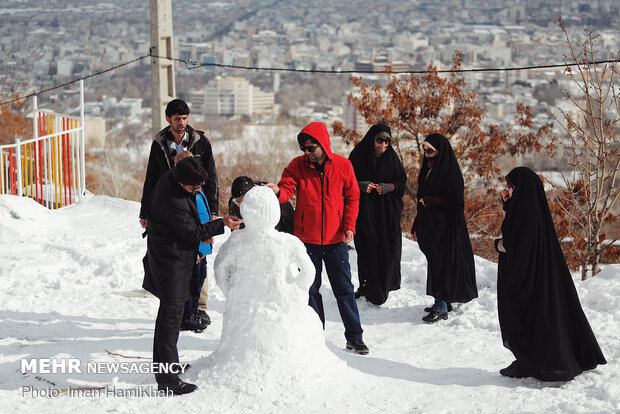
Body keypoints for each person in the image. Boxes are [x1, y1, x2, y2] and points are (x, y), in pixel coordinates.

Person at [495, 166, 606, 380]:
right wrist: (507, 205)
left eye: (511, 186)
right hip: (539, 277)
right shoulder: (532, 209)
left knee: (529, 319)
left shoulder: (526, 214)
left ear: (523, 188)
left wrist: (497, 245)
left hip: (529, 280)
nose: (507, 190)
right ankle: (532, 360)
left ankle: (534, 362)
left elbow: (514, 244)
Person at [142, 157, 241, 395]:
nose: (198, 191)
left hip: (172, 256)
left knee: (169, 317)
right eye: (194, 188)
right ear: (182, 182)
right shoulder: (173, 198)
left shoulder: (176, 179)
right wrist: (222, 223)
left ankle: (168, 365)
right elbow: (190, 232)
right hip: (170, 261)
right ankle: (167, 380)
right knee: (170, 317)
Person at [268, 121, 368, 355]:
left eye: (311, 148)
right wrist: (277, 192)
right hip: (307, 241)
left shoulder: (343, 166)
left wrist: (349, 226)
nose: (307, 153)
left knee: (344, 289)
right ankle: (316, 337)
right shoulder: (297, 166)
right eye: (304, 148)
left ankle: (355, 337)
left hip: (335, 242)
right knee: (310, 290)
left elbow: (353, 197)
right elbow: (286, 189)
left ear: (322, 144)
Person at [139, 99, 218, 329]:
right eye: (177, 119)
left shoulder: (200, 142)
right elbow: (151, 179)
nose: (181, 123)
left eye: (184, 118)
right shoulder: (160, 144)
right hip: (171, 207)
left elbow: (211, 177)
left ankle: (198, 308)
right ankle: (181, 307)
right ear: (168, 119)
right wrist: (145, 210)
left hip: (198, 205)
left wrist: (213, 211)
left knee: (200, 254)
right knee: (180, 256)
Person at [412, 133, 478, 323]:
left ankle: (441, 305)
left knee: (442, 265)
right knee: (436, 263)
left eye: (431, 151)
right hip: (431, 225)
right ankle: (442, 300)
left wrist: (431, 201)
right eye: (425, 150)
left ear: (440, 151)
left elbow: (456, 203)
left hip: (447, 228)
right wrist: (417, 223)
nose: (427, 154)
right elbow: (420, 199)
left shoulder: (450, 172)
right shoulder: (428, 169)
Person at [348, 123, 407, 305]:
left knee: (386, 250)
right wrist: (362, 186)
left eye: (386, 141)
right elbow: (345, 181)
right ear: (371, 140)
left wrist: (387, 187)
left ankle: (383, 288)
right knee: (366, 248)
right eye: (379, 140)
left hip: (386, 214)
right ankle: (365, 286)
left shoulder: (392, 159)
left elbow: (401, 183)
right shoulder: (357, 157)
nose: (382, 145)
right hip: (364, 213)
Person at [228, 176, 294, 234]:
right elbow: (236, 231)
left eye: (245, 201)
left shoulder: (270, 195)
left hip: (276, 235)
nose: (242, 205)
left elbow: (290, 217)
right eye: (238, 201)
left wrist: (286, 237)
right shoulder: (234, 205)